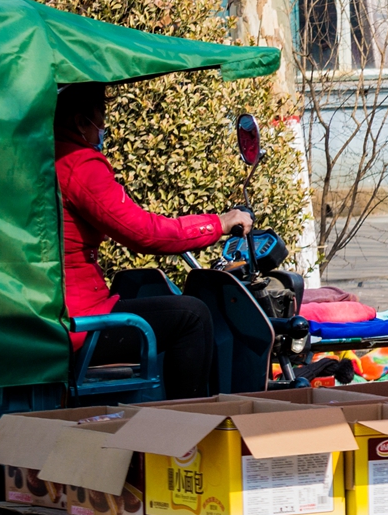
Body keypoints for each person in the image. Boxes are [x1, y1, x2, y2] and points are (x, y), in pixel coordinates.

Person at [54, 82, 248, 399]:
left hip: (52, 314)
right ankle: (185, 433)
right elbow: (143, 232)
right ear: (80, 121)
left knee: (135, 288)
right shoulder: (77, 163)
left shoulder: (36, 159)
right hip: (76, 324)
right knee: (192, 316)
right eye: (101, 117)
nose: (103, 128)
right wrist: (218, 223)